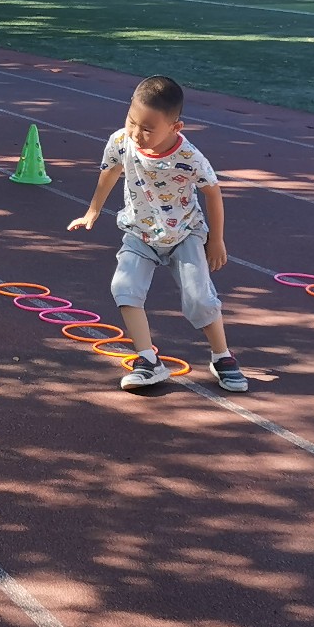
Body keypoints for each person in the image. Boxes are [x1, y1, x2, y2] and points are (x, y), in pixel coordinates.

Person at [67, 75, 248, 393]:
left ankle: (222, 356)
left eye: (148, 129)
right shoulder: (122, 141)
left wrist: (216, 239)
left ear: (176, 127)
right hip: (139, 232)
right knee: (124, 287)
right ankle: (148, 360)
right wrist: (92, 211)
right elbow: (110, 171)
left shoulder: (189, 157)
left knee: (199, 298)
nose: (137, 133)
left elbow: (213, 193)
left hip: (184, 234)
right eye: (132, 121)